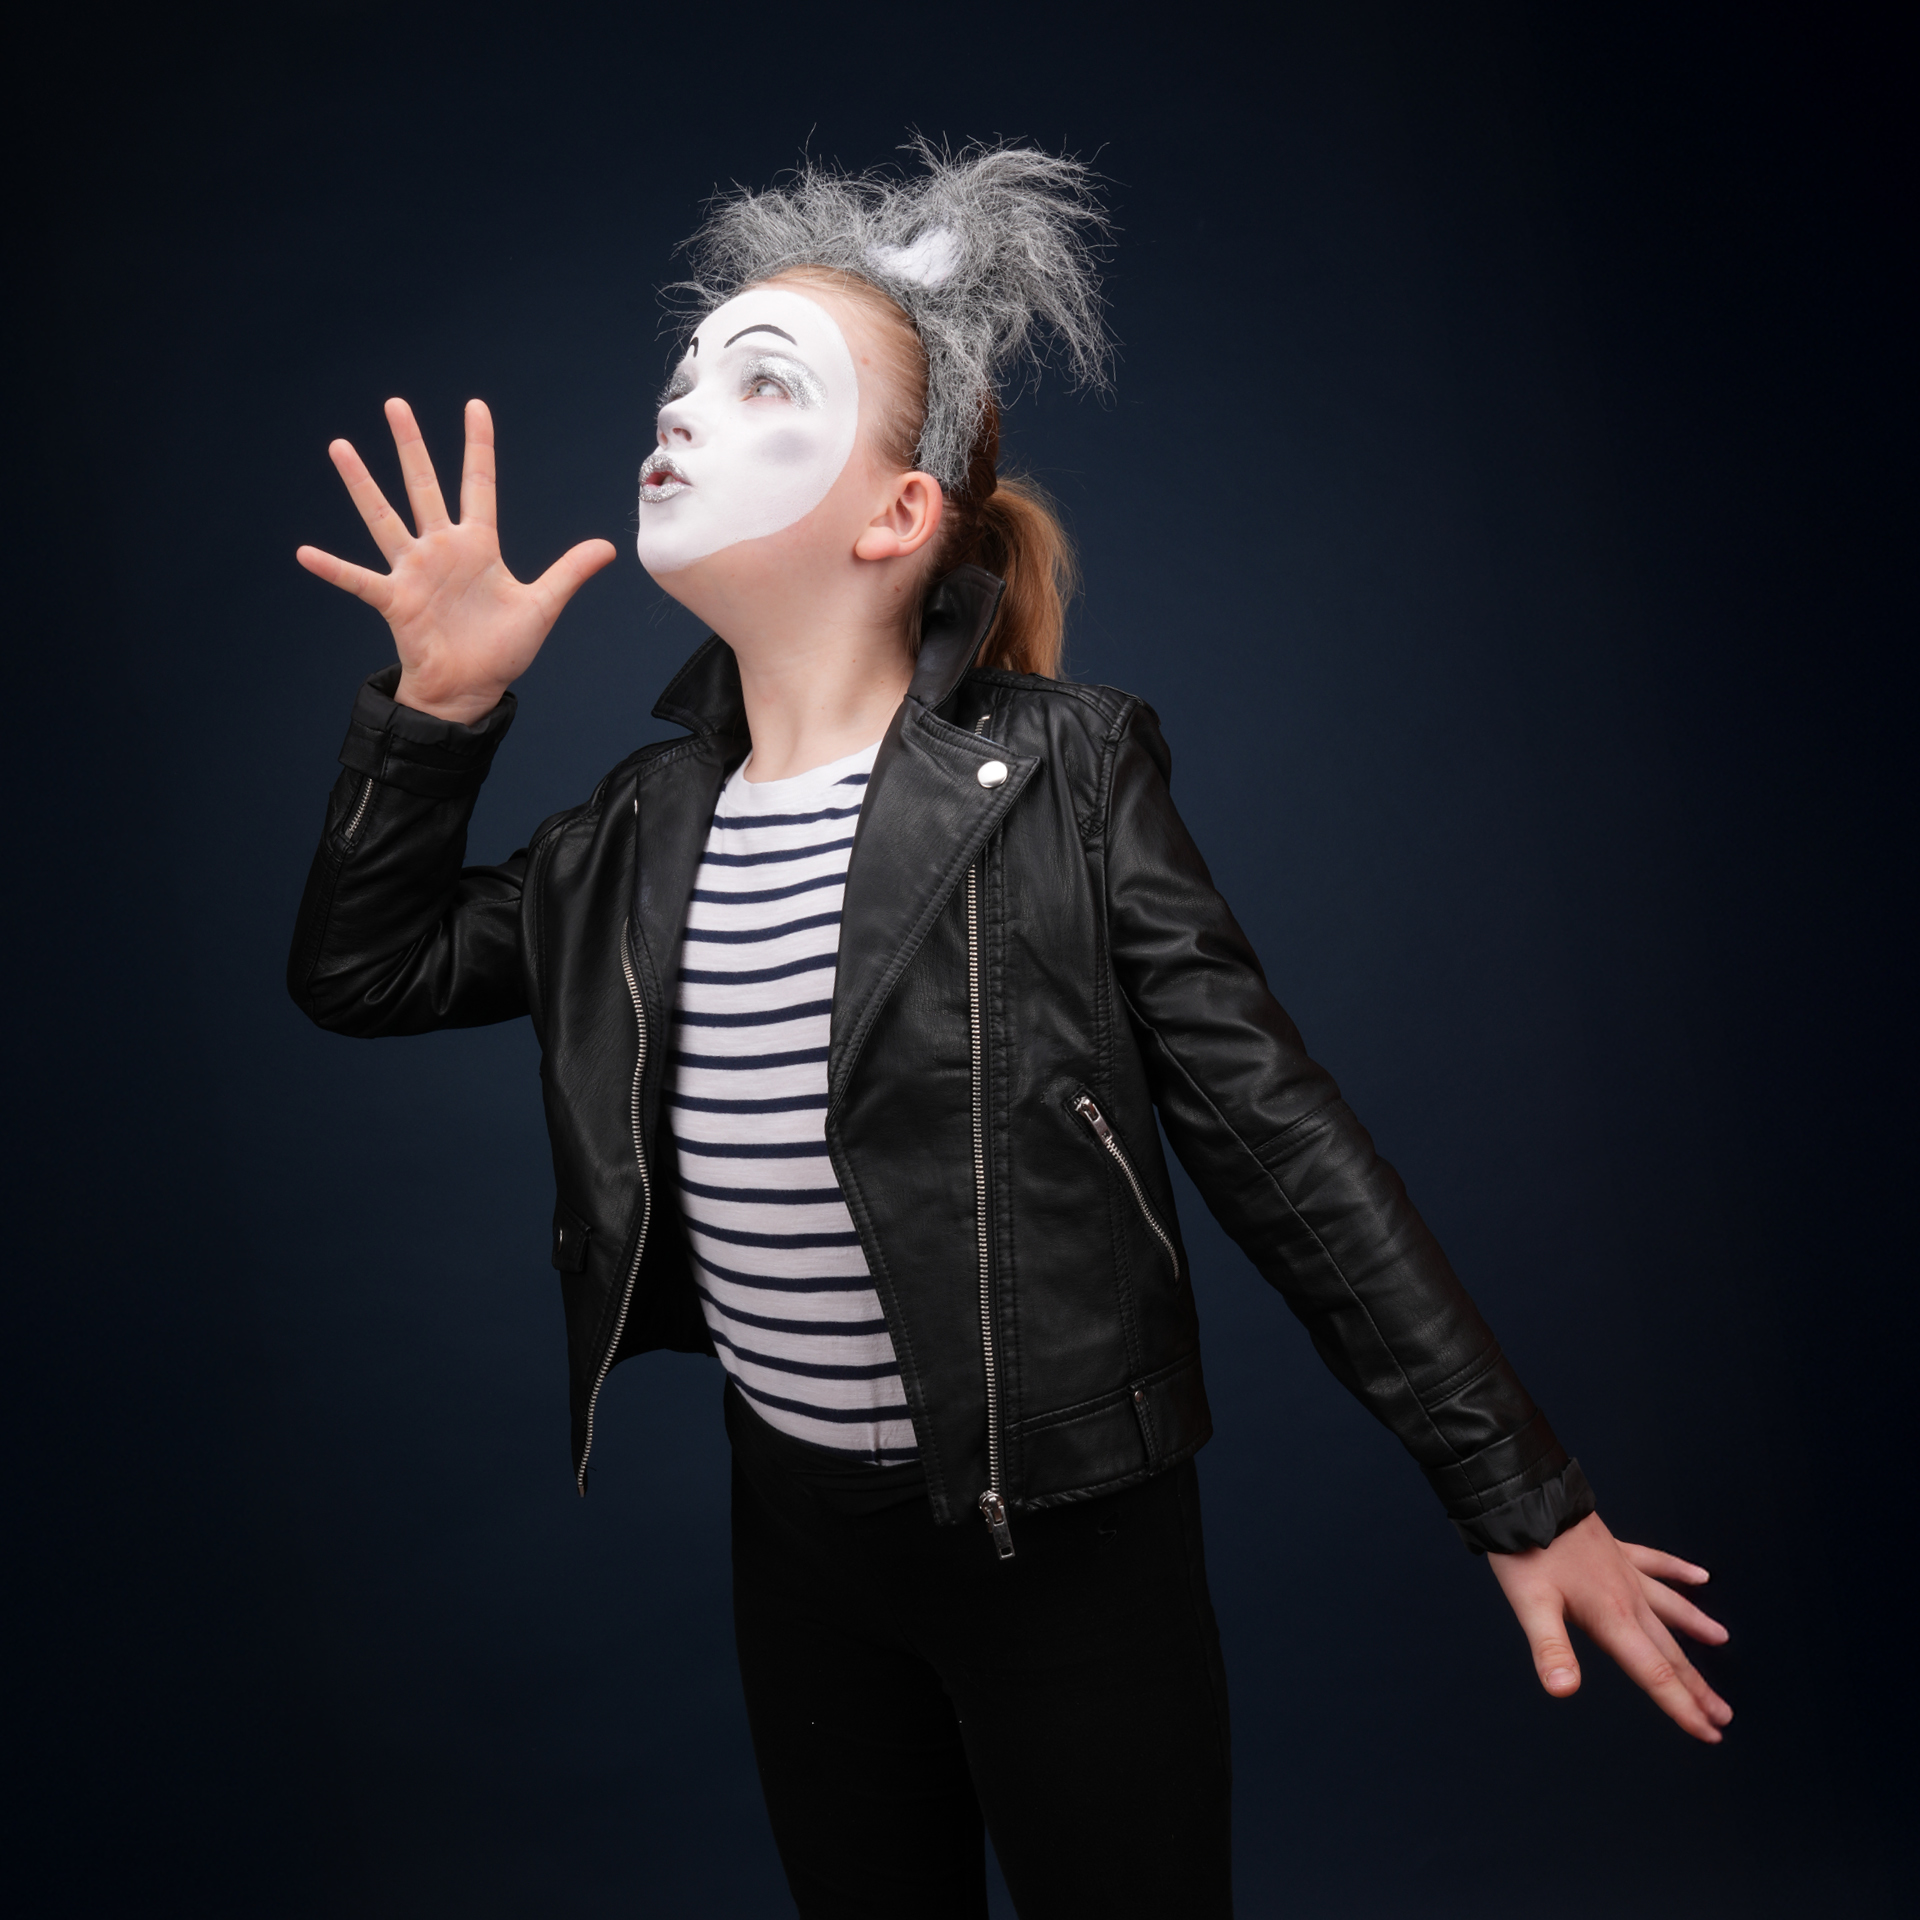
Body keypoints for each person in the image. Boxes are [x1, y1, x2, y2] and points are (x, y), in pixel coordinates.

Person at [288, 142, 1730, 1917]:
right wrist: (437, 710)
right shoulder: (639, 830)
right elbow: (365, 972)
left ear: (897, 517)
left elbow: (1281, 1144)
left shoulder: (1068, 776)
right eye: (685, 375)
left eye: (762, 384)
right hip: (795, 1540)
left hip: (1066, 1544)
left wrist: (1520, 1493)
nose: (682, 408)